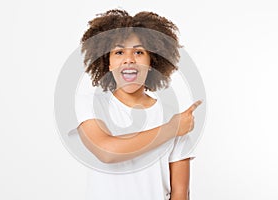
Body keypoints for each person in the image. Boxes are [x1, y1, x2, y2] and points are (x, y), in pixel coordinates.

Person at [75, 9, 202, 200]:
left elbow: (180, 194)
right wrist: (172, 128)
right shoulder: (92, 104)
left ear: (151, 62)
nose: (129, 59)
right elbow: (106, 152)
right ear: (107, 63)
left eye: (139, 52)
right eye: (119, 52)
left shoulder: (174, 118)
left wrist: (176, 127)